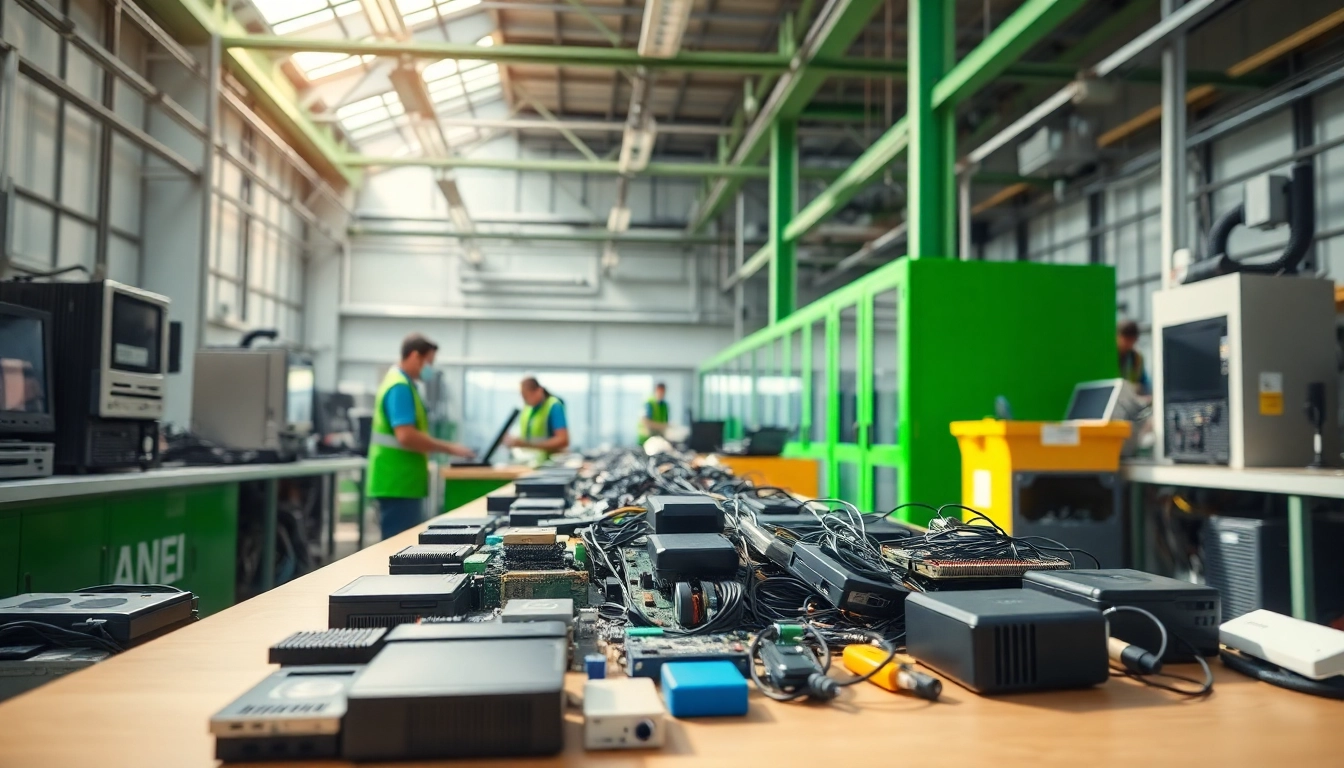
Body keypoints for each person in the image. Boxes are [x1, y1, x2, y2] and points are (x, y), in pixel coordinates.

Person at [366, 333, 474, 539]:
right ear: (415, 356)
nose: (429, 369)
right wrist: (450, 448)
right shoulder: (399, 387)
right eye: (428, 362)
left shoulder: (405, 384)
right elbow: (406, 436)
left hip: (401, 481)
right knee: (398, 548)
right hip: (397, 482)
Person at [504, 376, 570, 459]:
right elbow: (525, 435)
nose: (525, 400)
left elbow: (562, 440)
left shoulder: (554, 405)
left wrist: (527, 444)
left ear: (539, 391)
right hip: (528, 461)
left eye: (527, 396)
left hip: (549, 463)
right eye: (523, 396)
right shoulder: (527, 409)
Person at [1118, 319, 1151, 395]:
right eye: (1126, 340)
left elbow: (1144, 384)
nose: (1129, 344)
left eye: (1132, 341)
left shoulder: (1137, 358)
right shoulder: (1109, 358)